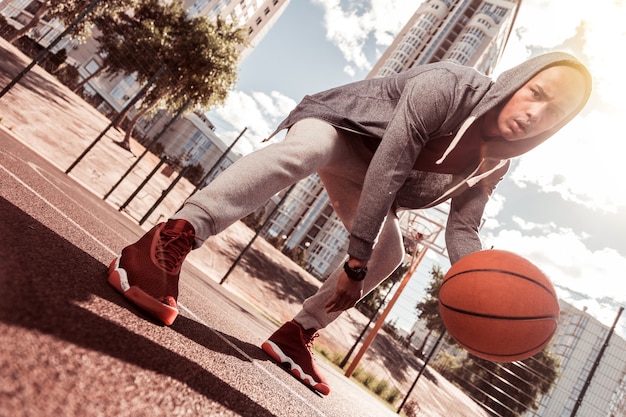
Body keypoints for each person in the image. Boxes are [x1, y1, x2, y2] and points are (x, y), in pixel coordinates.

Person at [107, 52, 592, 396]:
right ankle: (170, 237)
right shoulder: (450, 85)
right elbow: (393, 159)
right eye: (536, 93)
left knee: (391, 254)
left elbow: (463, 230)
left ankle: (297, 334)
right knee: (306, 150)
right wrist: (353, 261)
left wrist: (480, 287)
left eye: (554, 113)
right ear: (516, 81)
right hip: (342, 127)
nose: (535, 115)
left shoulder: (493, 164)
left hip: (368, 170)